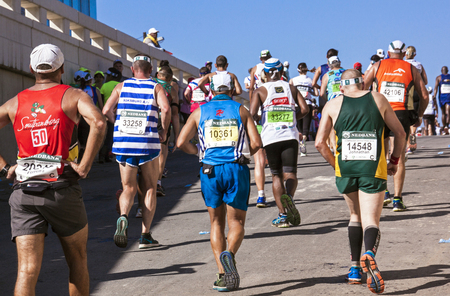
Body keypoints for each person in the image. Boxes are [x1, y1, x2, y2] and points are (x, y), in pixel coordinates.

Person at [0, 44, 106, 295]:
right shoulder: (74, 95)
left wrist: (5, 169)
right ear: (60, 68)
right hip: (62, 189)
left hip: (24, 191)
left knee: (26, 270)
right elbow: (99, 122)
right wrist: (85, 166)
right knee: (77, 260)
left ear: (31, 69)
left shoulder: (15, 102)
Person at [315, 69, 406, 294]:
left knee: (354, 216)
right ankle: (370, 255)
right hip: (372, 168)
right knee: (371, 219)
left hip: (345, 168)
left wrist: (336, 165)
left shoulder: (333, 105)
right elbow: (400, 133)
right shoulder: (378, 99)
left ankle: (355, 269)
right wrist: (394, 160)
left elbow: (319, 143)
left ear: (342, 86)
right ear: (363, 83)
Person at [177, 73, 262, 292]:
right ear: (231, 90)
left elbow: (180, 142)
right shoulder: (240, 110)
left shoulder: (200, 111)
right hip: (236, 168)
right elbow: (257, 142)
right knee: (237, 223)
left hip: (209, 170)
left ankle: (223, 274)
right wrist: (244, 154)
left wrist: (199, 152)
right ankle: (229, 256)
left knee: (216, 223)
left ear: (212, 90)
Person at [103, 54, 171, 249]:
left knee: (128, 188)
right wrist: (163, 131)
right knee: (150, 187)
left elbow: (106, 109)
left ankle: (123, 217)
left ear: (132, 69)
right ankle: (145, 235)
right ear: (151, 71)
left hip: (124, 143)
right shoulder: (155, 86)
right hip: (147, 144)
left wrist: (118, 125)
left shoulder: (121, 86)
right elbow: (165, 109)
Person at [364, 40, 428, 211]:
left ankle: (384, 192)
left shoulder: (377, 65)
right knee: (397, 155)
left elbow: (363, 86)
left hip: (379, 112)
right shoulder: (411, 68)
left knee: (380, 153)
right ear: (404, 52)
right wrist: (419, 114)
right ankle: (397, 200)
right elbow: (425, 95)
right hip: (401, 113)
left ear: (388, 51)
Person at [250, 58, 309, 227]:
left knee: (276, 175)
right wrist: (292, 119)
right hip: (289, 135)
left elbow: (253, 113)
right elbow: (305, 110)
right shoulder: (291, 88)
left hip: (270, 137)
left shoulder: (260, 90)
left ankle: (283, 215)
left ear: (265, 74)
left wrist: (264, 121)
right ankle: (289, 197)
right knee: (290, 174)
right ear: (282, 72)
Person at [248, 50, 272, 207]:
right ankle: (284, 193)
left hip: (257, 108)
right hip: (271, 112)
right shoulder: (273, 68)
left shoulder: (254, 69)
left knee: (258, 160)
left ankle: (261, 195)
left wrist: (252, 109)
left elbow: (250, 89)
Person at [155, 65, 180, 196]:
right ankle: (157, 183)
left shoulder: (151, 84)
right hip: (162, 122)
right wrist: (177, 136)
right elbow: (174, 114)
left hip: (147, 120)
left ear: (158, 75)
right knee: (162, 154)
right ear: (170, 78)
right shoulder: (171, 89)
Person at [290, 62, 319, 156]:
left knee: (298, 126)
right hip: (307, 104)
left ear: (298, 70)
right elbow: (316, 93)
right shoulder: (310, 80)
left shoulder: (293, 80)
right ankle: (303, 143)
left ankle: (300, 143)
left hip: (296, 105)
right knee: (306, 127)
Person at [405, 45, 428, 153]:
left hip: (407, 92)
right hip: (417, 92)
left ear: (405, 54)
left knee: (406, 117)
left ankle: (408, 145)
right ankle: (413, 135)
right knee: (415, 117)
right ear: (415, 54)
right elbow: (426, 81)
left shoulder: (403, 64)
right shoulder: (419, 65)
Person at [320, 56, 345, 153]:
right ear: (340, 62)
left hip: (333, 102)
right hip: (347, 100)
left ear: (329, 65)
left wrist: (328, 100)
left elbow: (322, 93)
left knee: (332, 125)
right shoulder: (346, 72)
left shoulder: (327, 75)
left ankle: (335, 149)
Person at [99, 67, 122, 163]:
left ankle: (102, 156)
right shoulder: (121, 85)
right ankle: (111, 154)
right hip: (120, 114)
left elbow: (101, 100)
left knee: (106, 136)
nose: (106, 77)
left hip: (108, 114)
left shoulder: (105, 86)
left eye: (107, 75)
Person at [433, 66, 450, 133]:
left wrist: (434, 95)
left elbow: (435, 88)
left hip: (442, 97)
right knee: (448, 112)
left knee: (443, 113)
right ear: (447, 70)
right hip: (449, 96)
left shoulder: (438, 78)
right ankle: (447, 126)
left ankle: (444, 126)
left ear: (441, 71)